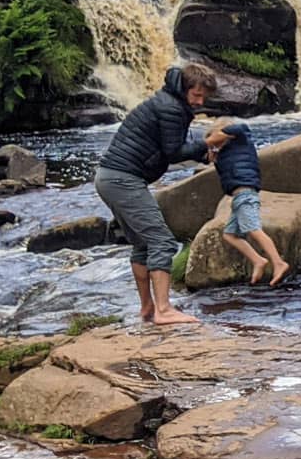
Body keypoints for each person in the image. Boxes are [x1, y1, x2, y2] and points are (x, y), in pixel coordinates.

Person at [94, 62, 228, 325]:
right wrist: (210, 142)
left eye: (204, 97)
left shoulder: (169, 102)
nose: (200, 102)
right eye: (197, 95)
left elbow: (172, 145)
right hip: (123, 179)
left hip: (109, 178)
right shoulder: (171, 108)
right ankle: (164, 310)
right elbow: (174, 151)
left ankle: (147, 309)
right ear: (185, 87)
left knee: (143, 245)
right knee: (162, 241)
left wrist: (203, 153)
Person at [212, 119, 289, 286]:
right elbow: (224, 174)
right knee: (229, 235)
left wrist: (212, 139)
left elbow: (241, 127)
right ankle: (258, 260)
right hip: (238, 198)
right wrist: (213, 155)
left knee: (254, 229)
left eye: (217, 140)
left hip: (246, 194)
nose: (214, 143)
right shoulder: (226, 153)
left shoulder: (241, 139)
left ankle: (278, 262)